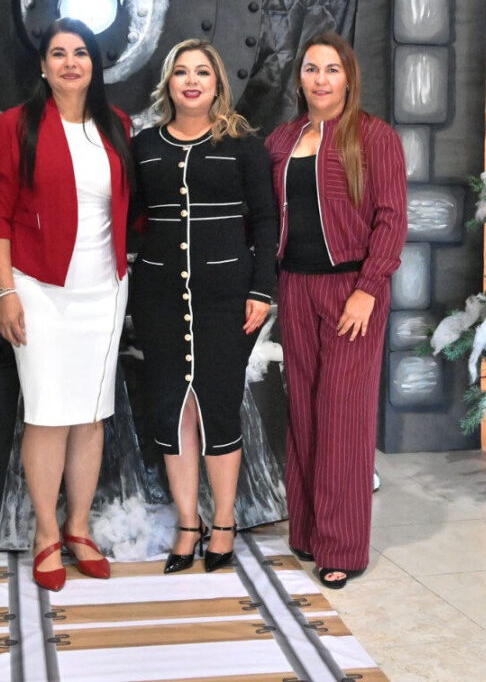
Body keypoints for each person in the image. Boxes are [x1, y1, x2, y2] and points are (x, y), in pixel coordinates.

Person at [0, 18, 134, 592]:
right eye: (58, 53)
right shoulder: (15, 125)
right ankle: (46, 531)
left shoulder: (116, 125)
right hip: (39, 287)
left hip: (105, 290)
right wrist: (5, 292)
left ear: (95, 65)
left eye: (81, 53)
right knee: (48, 412)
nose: (70, 62)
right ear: (43, 66)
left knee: (90, 413)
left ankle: (78, 525)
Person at [264, 31, 407, 590]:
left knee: (343, 417)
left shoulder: (374, 138)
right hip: (296, 289)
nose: (321, 79)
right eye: (311, 69)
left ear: (348, 76)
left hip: (353, 291)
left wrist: (369, 286)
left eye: (331, 69)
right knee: (303, 410)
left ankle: (342, 546)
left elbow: (392, 218)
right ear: (299, 78)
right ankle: (307, 531)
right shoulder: (280, 141)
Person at [130, 40, 277, 574]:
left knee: (217, 405)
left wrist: (261, 291)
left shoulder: (243, 146)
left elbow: (265, 222)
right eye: (181, 72)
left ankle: (225, 523)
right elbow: (131, 219)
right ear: (168, 83)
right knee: (173, 408)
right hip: (159, 297)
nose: (192, 81)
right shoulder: (145, 146)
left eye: (203, 72)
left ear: (218, 84)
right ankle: (187, 524)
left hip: (226, 300)